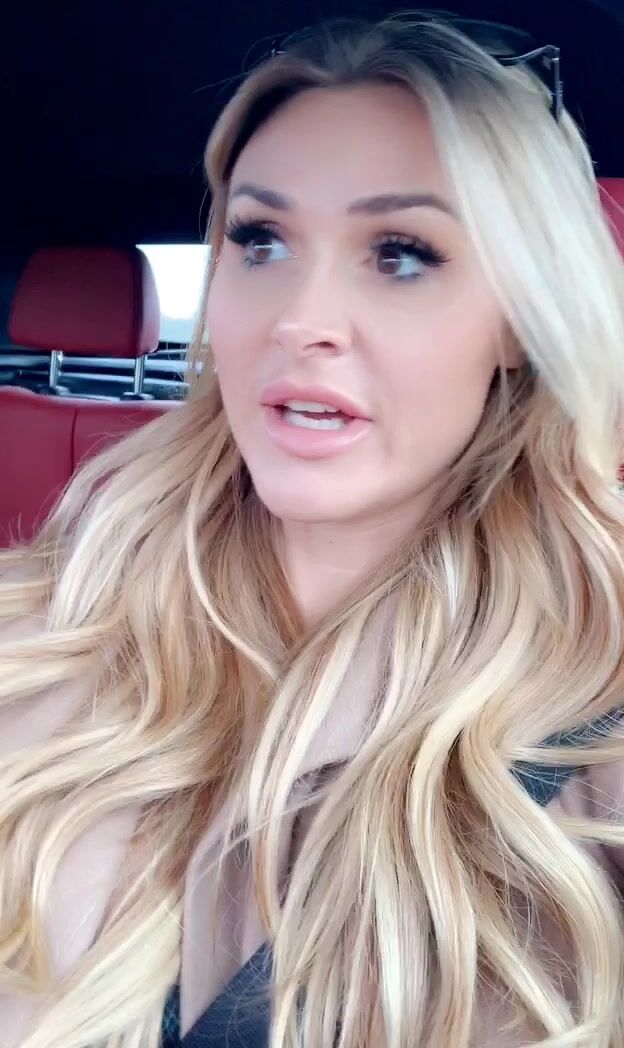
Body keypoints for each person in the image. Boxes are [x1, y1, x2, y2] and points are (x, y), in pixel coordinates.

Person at [1, 10, 624, 1047]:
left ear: (520, 319)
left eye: (401, 254)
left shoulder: (594, 712)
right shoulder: (37, 625)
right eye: (260, 240)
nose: (299, 317)